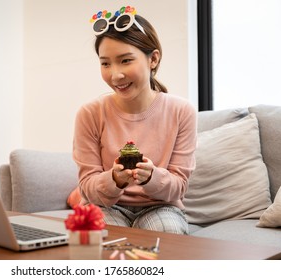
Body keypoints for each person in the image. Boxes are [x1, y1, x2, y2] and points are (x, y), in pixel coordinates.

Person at [70, 6, 197, 234]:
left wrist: (152, 177)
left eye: (125, 60)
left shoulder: (182, 111)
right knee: (99, 239)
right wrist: (114, 180)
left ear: (153, 59)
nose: (115, 75)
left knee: (165, 237)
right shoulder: (89, 113)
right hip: (106, 206)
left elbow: (179, 187)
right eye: (105, 63)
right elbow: (87, 186)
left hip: (160, 207)